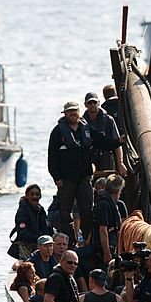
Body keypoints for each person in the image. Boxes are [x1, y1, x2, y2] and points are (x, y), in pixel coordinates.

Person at [47, 101, 94, 244]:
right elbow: (52, 157)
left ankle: (87, 239)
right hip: (66, 179)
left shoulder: (86, 129)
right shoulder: (57, 132)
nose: (73, 113)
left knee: (87, 210)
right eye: (69, 111)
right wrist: (57, 177)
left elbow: (100, 140)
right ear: (65, 114)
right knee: (64, 212)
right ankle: (70, 241)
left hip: (83, 177)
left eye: (75, 111)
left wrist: (117, 141)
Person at [83, 91, 127, 176]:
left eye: (94, 102)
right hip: (90, 159)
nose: (92, 105)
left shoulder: (108, 120)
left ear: (98, 103)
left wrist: (120, 163)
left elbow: (117, 143)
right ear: (85, 105)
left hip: (107, 158)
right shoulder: (82, 123)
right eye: (89, 103)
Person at [92, 174, 127, 269]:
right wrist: (107, 253)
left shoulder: (116, 204)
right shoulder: (104, 205)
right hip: (104, 248)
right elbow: (103, 230)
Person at [11, 184, 53, 259]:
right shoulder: (23, 211)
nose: (34, 197)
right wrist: (39, 239)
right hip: (27, 247)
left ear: (40, 196)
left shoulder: (41, 210)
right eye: (32, 194)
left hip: (42, 246)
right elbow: (22, 233)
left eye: (37, 194)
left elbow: (48, 228)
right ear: (27, 196)